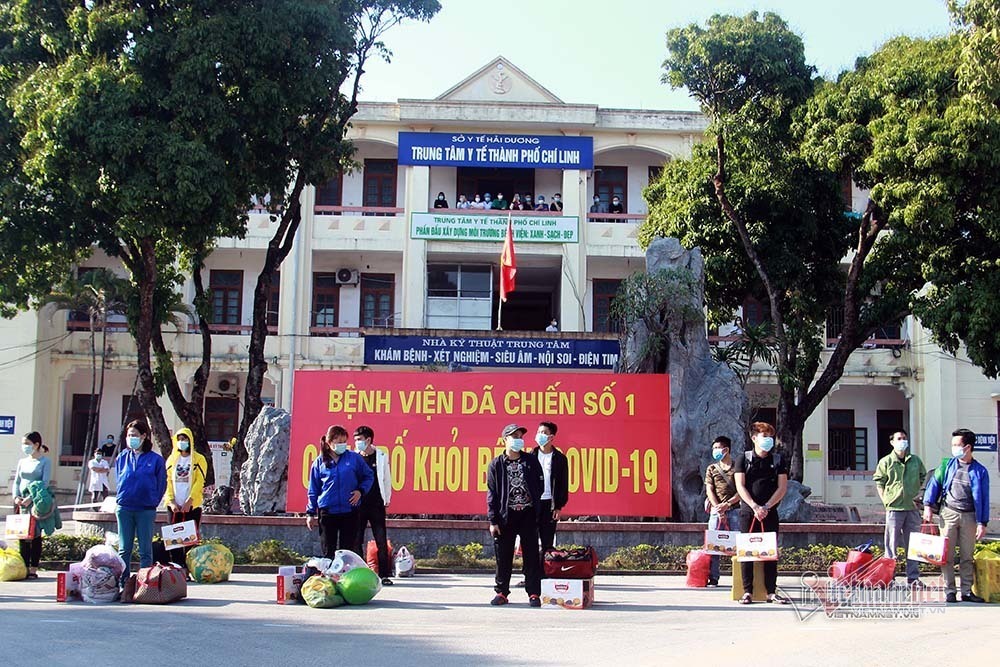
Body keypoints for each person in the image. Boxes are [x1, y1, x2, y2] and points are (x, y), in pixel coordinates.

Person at [923, 428, 990, 603]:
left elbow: (984, 498)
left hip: (970, 517)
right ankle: (949, 590)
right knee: (947, 555)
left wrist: (983, 522)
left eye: (956, 445)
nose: (953, 448)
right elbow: (933, 485)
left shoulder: (980, 471)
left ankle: (967, 591)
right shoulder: (947, 465)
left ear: (967, 447)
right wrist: (928, 506)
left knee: (967, 556)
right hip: (949, 514)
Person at [487, 423, 544, 607]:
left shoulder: (530, 460)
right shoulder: (496, 464)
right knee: (503, 557)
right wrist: (493, 520)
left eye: (520, 436)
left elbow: (539, 484)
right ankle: (502, 592)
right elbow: (492, 493)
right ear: (505, 440)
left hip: (527, 514)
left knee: (531, 556)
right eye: (514, 436)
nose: (518, 440)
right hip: (506, 516)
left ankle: (534, 593)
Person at [733, 421, 790, 604]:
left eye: (770, 436)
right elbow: (740, 485)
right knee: (747, 551)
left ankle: (771, 592)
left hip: (770, 512)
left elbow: (782, 488)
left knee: (770, 553)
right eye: (764, 436)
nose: (768, 440)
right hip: (748, 513)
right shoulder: (744, 459)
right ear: (754, 438)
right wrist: (754, 506)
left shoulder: (778, 460)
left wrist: (766, 507)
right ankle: (747, 591)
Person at [306, 425, 374, 559]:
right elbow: (313, 489)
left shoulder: (354, 458)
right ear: (329, 442)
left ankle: (345, 579)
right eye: (338, 442)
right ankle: (329, 578)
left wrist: (360, 491)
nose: (342, 445)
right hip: (328, 511)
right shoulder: (319, 463)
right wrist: (310, 512)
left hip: (349, 510)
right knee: (328, 551)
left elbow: (368, 476)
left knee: (347, 551)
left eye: (344, 442)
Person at [115, 419, 167, 586]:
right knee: (124, 549)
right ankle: (123, 583)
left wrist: (153, 500)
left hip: (145, 509)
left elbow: (161, 483)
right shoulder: (122, 456)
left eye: (135, 435)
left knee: (145, 550)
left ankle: (143, 585)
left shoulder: (156, 460)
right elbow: (119, 477)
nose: (131, 438)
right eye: (129, 435)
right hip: (124, 508)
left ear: (144, 436)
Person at [872, 430, 926, 587]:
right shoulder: (886, 461)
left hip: (913, 507)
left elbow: (924, 477)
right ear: (892, 442)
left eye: (904, 438)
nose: (903, 441)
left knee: (914, 546)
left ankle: (913, 578)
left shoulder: (915, 461)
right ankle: (890, 578)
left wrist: (919, 495)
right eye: (899, 439)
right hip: (894, 507)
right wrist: (885, 500)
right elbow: (879, 482)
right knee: (891, 546)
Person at [352, 425, 393, 586]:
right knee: (357, 540)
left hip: (376, 504)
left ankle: (384, 575)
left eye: (359, 440)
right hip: (359, 505)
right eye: (355, 440)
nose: (356, 443)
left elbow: (386, 479)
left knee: (381, 540)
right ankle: (360, 574)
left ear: (368, 440)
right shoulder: (353, 457)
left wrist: (387, 497)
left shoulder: (381, 455)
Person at [11, 432, 52, 578]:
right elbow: (17, 481)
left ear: (36, 445)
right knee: (22, 535)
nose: (25, 447)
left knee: (35, 535)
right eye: (24, 444)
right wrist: (16, 497)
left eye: (27, 444)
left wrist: (31, 498)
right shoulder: (22, 461)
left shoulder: (45, 462)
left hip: (36, 503)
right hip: (21, 503)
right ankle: (24, 566)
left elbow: (45, 483)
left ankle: (34, 568)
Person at [163, 427, 208, 561]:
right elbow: (168, 481)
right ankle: (176, 567)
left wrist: (190, 501)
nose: (182, 442)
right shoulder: (171, 460)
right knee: (174, 539)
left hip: (192, 505)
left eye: (185, 439)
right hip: (174, 505)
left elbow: (200, 481)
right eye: (179, 439)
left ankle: (188, 567)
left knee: (190, 538)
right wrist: (171, 501)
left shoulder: (199, 459)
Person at [705, 436, 741, 587]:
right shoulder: (712, 468)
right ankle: (713, 577)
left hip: (735, 510)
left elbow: (742, 490)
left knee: (739, 545)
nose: (715, 451)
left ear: (726, 449)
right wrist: (718, 508)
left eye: (717, 448)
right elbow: (709, 489)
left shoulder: (738, 467)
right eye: (713, 448)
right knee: (713, 545)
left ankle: (740, 577)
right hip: (716, 512)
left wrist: (727, 504)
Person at [529, 422, 568, 552]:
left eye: (544, 433)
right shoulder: (531, 456)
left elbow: (563, 484)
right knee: (530, 540)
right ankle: (532, 571)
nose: (540, 435)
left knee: (547, 541)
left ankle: (546, 569)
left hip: (549, 504)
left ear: (551, 437)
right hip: (533, 504)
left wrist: (558, 507)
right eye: (538, 432)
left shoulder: (560, 459)